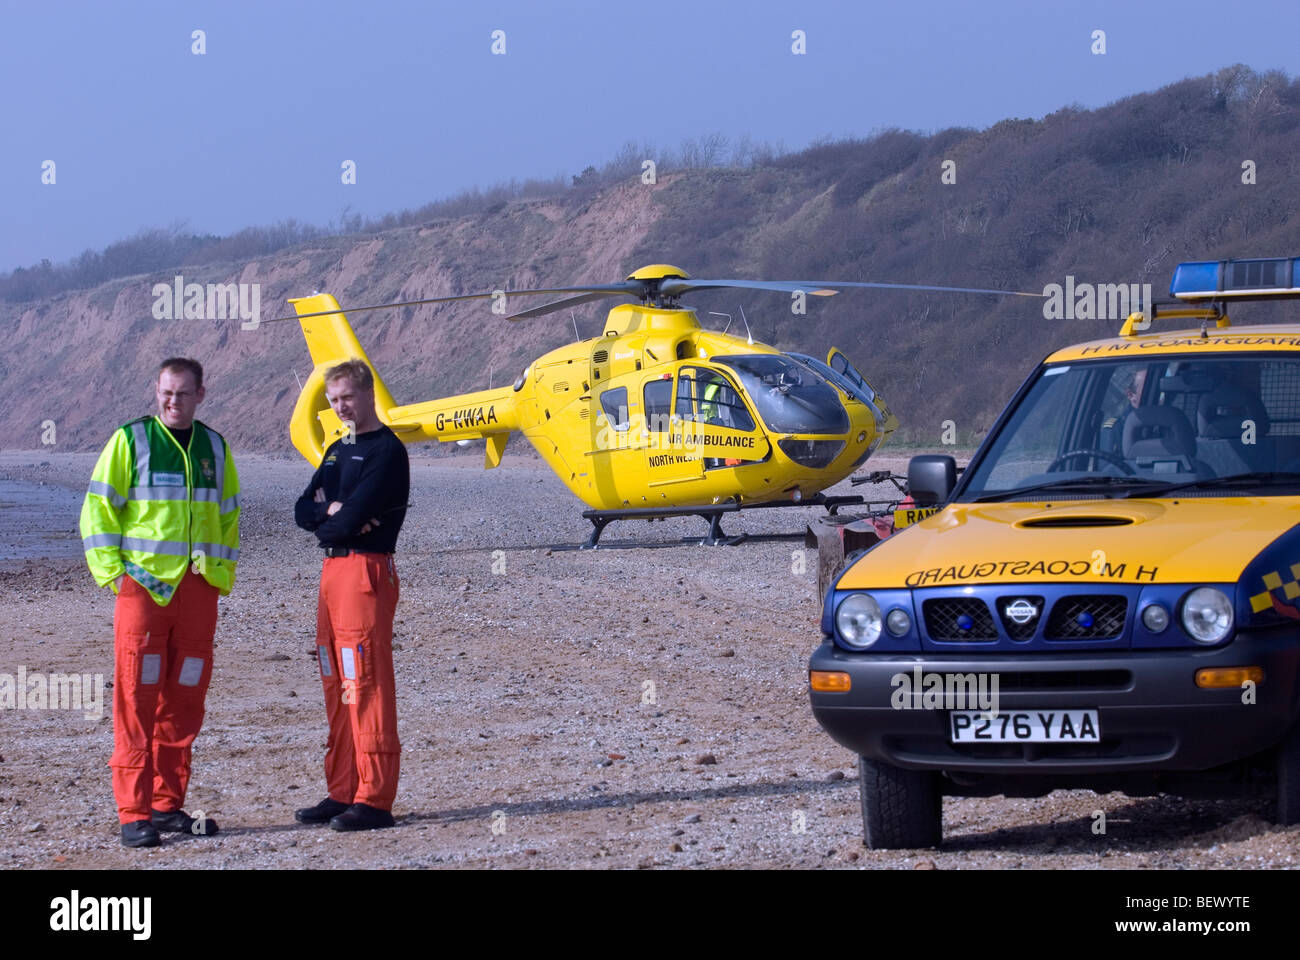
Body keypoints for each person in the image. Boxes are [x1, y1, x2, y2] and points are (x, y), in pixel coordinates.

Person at [79, 357, 240, 848]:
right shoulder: (131, 440)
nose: (173, 402)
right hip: (144, 592)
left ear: (201, 395)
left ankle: (167, 804)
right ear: (157, 392)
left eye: (183, 394)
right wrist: (114, 575)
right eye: (166, 393)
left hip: (198, 592)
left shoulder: (215, 446)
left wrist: (220, 576)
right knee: (137, 698)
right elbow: (98, 508)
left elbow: (229, 513)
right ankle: (134, 812)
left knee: (186, 699)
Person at [293, 359, 409, 831]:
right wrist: (332, 513)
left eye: (348, 398)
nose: (341, 407)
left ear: (367, 394)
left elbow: (340, 518)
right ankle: (343, 789)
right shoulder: (339, 449)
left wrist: (335, 514)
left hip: (365, 569)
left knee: (366, 679)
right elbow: (303, 510)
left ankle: (375, 799)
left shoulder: (387, 451)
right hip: (332, 570)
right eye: (334, 399)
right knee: (334, 678)